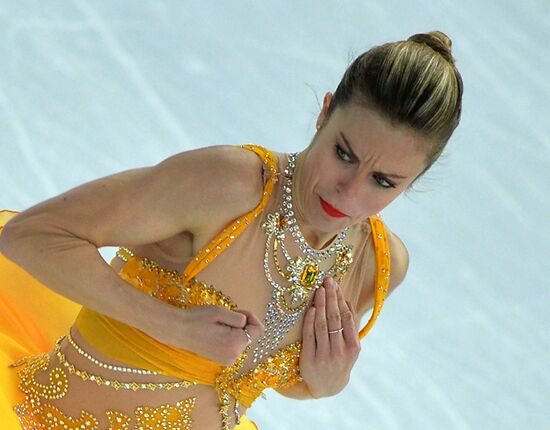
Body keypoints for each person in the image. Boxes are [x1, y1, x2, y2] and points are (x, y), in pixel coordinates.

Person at [0, 30, 463, 429]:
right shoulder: (227, 186)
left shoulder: (377, 265)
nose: (349, 192)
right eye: (344, 154)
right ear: (324, 113)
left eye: (383, 182)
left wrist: (323, 384)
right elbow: (33, 236)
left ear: (413, 181)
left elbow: (259, 369)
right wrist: (171, 325)